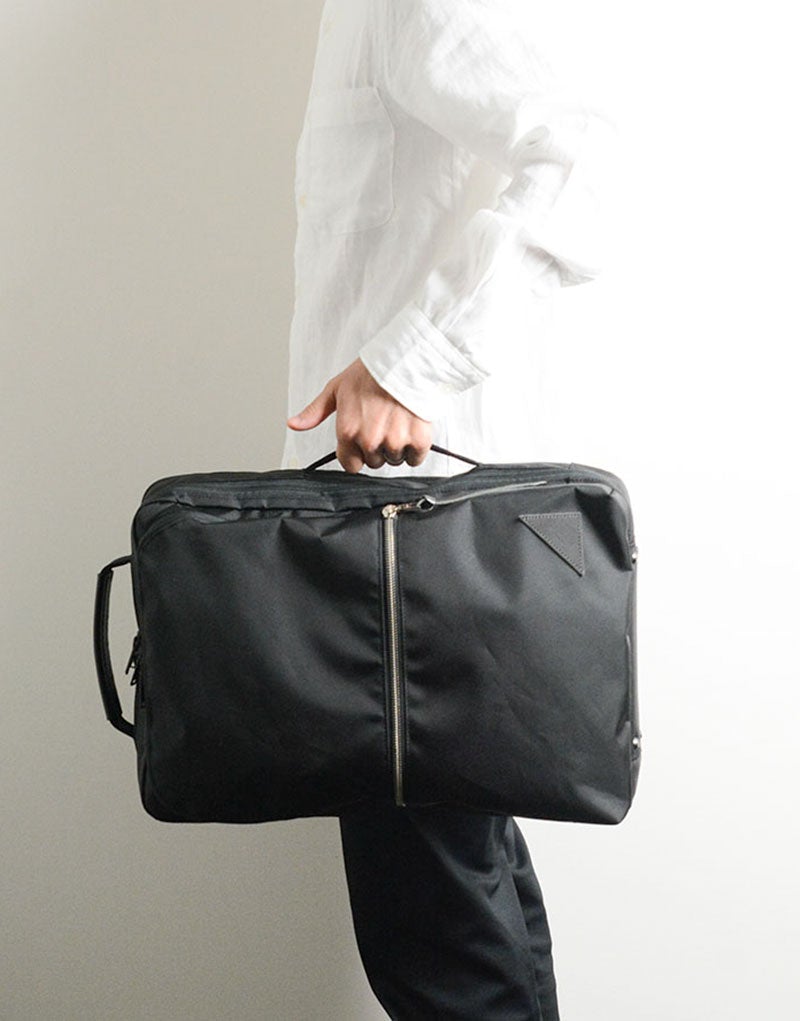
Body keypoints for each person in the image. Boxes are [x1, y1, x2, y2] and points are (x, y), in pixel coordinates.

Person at [282, 2, 614, 1017]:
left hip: (413, 542)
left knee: (440, 938)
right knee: (462, 911)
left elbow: (583, 151)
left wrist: (410, 365)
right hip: (396, 536)